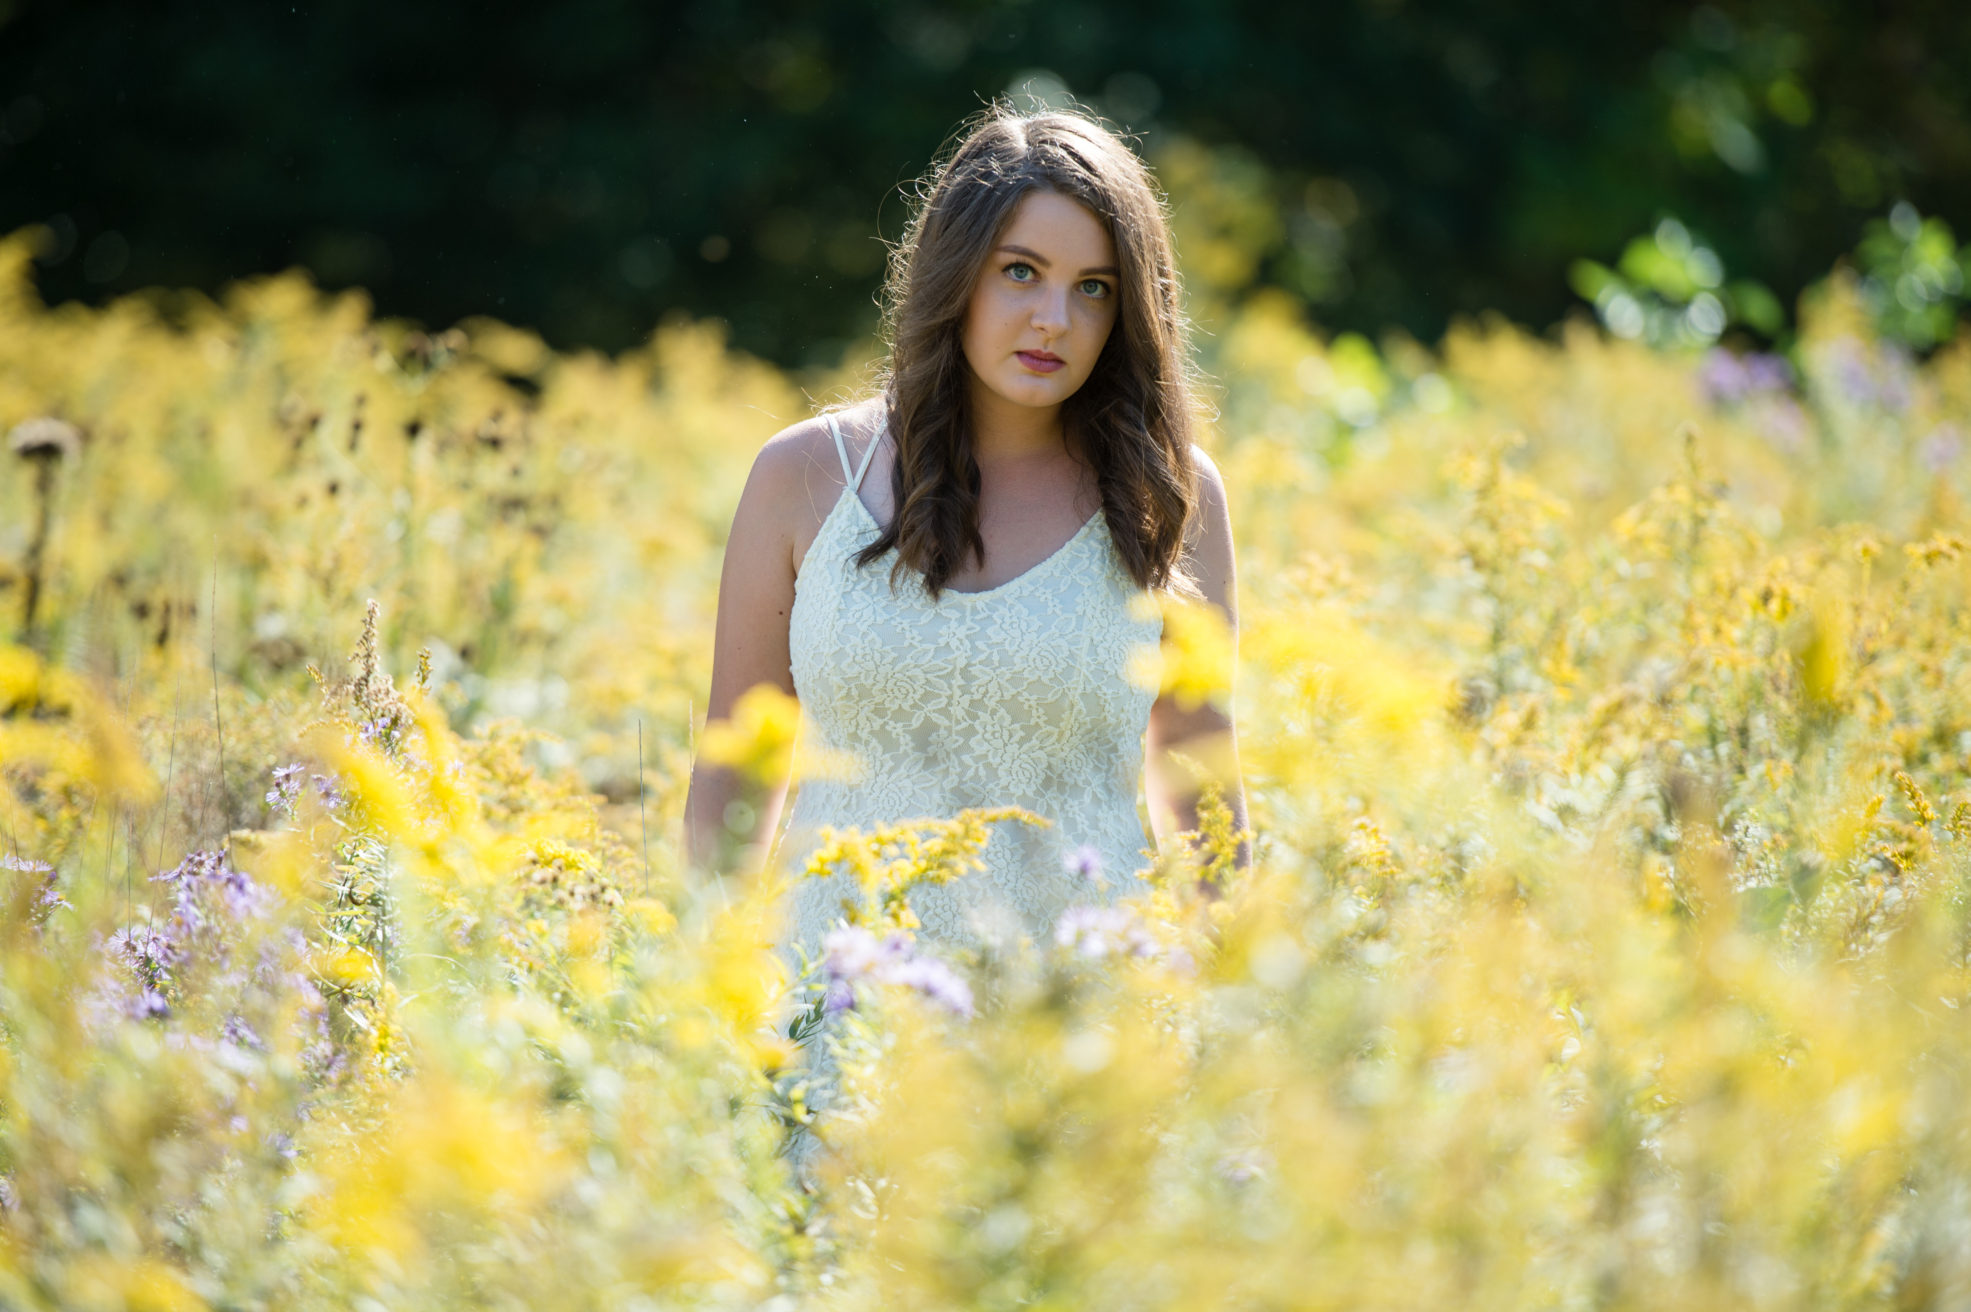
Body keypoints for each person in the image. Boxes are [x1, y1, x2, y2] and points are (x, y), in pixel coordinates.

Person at [684, 102, 1249, 975]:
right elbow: (734, 772)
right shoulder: (802, 477)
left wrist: (1234, 1015)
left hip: (1083, 1028)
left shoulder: (1166, 495)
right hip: (839, 1017)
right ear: (956, 274)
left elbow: (1202, 793)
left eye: (1093, 287)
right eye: (1019, 272)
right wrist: (696, 1007)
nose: (1054, 318)